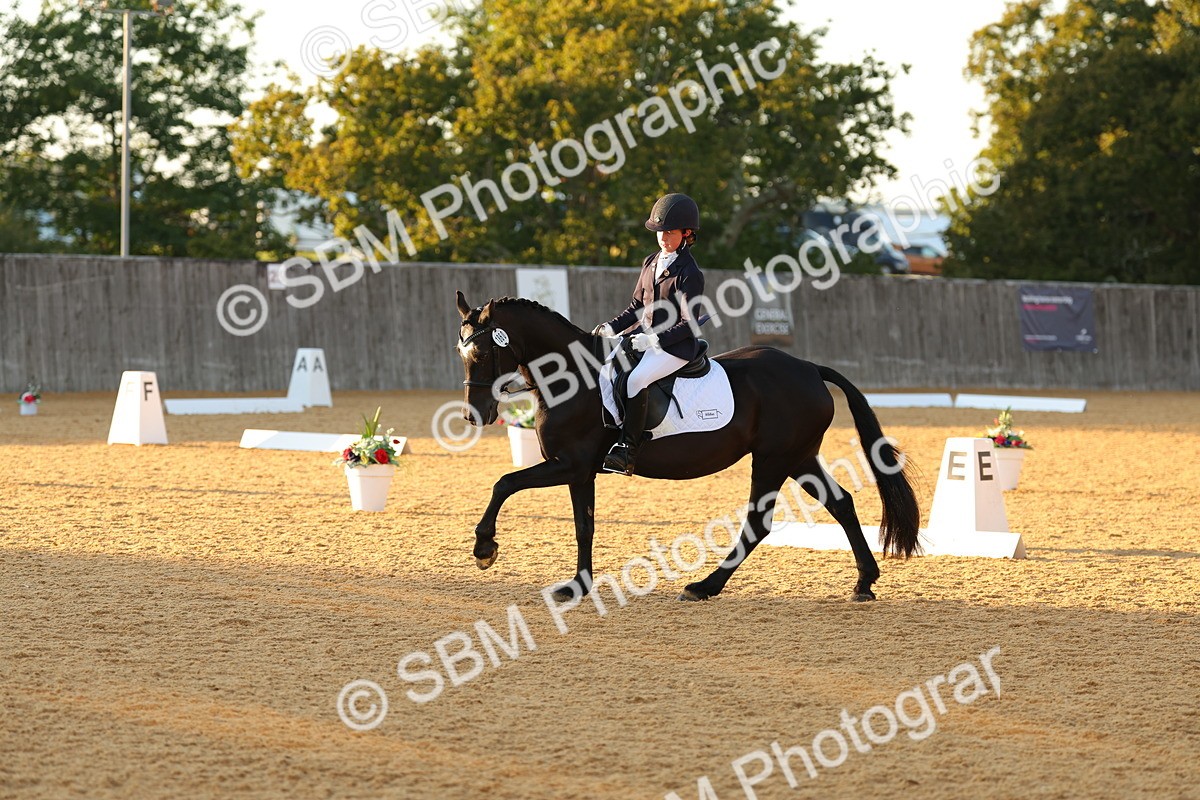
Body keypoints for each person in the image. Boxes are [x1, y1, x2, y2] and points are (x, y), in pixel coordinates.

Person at [592, 193, 705, 475]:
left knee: (636, 379)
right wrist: (611, 327)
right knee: (603, 368)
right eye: (660, 232)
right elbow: (636, 307)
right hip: (641, 338)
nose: (663, 238)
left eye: (670, 233)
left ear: (686, 233)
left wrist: (654, 340)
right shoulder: (651, 262)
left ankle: (628, 450)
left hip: (675, 346)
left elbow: (689, 324)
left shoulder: (689, 273)